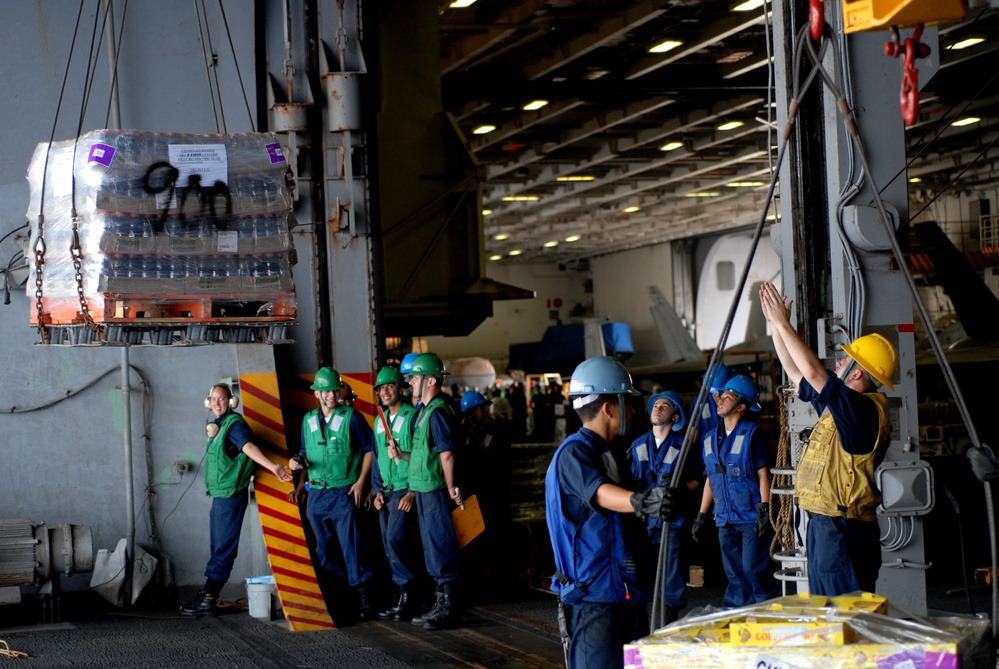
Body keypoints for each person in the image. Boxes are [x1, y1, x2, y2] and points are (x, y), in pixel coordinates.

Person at [759, 281, 895, 596]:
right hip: (827, 527)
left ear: (859, 374)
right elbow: (798, 374)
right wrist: (777, 328)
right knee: (828, 612)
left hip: (843, 531)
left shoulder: (860, 410)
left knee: (841, 615)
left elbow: (815, 371)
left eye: (847, 361)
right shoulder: (841, 409)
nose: (840, 363)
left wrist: (783, 324)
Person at [545, 356, 672, 669]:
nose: (631, 410)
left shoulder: (608, 452)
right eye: (625, 402)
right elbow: (601, 493)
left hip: (623, 589)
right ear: (607, 407)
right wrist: (643, 501)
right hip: (595, 597)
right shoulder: (574, 452)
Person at [180, 383, 293, 615]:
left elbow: (248, 446)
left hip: (231, 495)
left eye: (222, 399)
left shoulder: (233, 425)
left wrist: (273, 467)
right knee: (218, 546)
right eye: (213, 399)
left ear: (231, 402)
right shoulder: (219, 426)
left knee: (223, 547)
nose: (217, 403)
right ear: (208, 402)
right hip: (220, 496)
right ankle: (209, 594)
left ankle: (209, 598)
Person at [288, 367, 376, 621]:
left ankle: (364, 601)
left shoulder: (352, 417)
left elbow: (370, 450)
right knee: (324, 549)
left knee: (353, 547)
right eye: (325, 391)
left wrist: (361, 483)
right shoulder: (308, 421)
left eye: (334, 390)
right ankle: (338, 600)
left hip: (342, 493)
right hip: (316, 494)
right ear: (317, 393)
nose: (330, 395)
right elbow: (305, 453)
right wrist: (297, 463)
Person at [692, 374, 776, 608]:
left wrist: (764, 507)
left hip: (750, 515)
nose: (720, 400)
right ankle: (736, 613)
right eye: (721, 395)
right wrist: (701, 515)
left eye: (727, 397)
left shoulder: (752, 434)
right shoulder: (709, 439)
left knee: (752, 568)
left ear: (740, 406)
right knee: (733, 571)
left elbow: (763, 473)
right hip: (725, 516)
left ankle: (763, 609)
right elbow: (711, 478)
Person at [628, 390, 701, 624]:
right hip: (643, 521)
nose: (657, 408)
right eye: (655, 405)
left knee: (671, 577)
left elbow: (698, 479)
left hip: (673, 519)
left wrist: (680, 489)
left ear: (676, 417)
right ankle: (642, 624)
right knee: (639, 573)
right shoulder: (637, 445)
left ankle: (667, 624)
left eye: (664, 406)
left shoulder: (684, 447)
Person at [402, 353, 464, 630]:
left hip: (436, 490)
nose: (412, 382)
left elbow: (446, 454)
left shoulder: (437, 412)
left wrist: (451, 487)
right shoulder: (423, 412)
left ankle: (449, 608)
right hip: (424, 489)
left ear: (431, 380)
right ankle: (439, 603)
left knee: (441, 546)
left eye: (415, 377)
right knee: (431, 548)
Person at [370, 365, 422, 621]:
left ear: (401, 389)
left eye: (391, 386)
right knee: (389, 544)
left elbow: (422, 457)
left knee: (395, 539)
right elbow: (378, 458)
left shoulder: (413, 417)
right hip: (386, 493)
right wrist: (375, 490)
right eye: (382, 388)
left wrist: (412, 492)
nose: (386, 391)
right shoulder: (379, 420)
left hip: (404, 490)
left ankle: (410, 597)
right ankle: (404, 597)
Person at [460, 391, 514, 593]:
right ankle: (479, 584)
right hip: (475, 495)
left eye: (474, 410)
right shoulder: (467, 432)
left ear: (484, 408)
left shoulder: (498, 430)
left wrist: (472, 436)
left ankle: (499, 584)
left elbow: (493, 459)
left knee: (496, 541)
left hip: (495, 494)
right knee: (477, 543)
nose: (472, 416)